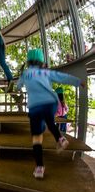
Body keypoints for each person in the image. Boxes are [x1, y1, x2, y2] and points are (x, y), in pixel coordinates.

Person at [16, 49, 84, 179]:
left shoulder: (26, 73)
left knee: (36, 138)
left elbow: (18, 86)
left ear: (28, 61)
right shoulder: (45, 72)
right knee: (50, 122)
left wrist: (19, 86)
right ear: (42, 61)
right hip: (50, 103)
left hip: (35, 107)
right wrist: (78, 81)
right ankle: (60, 138)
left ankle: (39, 168)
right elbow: (62, 77)